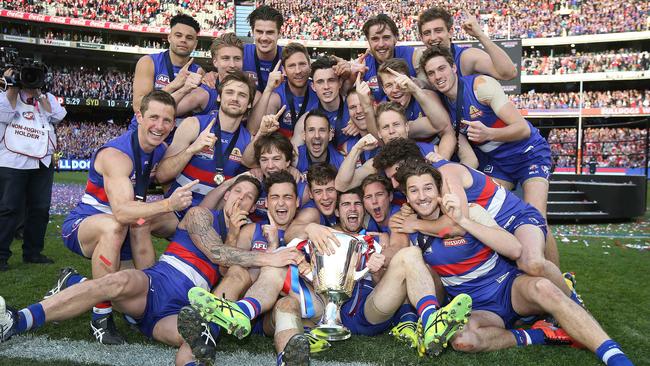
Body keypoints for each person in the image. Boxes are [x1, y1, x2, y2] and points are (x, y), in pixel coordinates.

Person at [0, 175, 304, 366]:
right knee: (115, 281)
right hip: (156, 285)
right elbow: (215, 252)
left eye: (249, 197)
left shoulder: (241, 232)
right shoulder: (200, 214)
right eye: (238, 191)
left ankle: (73, 282)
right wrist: (268, 259)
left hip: (183, 311)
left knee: (200, 337)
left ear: (252, 206)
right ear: (226, 193)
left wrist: (238, 238)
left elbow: (227, 268)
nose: (241, 199)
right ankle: (19, 320)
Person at [391, 160, 633, 365]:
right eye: (414, 191)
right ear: (407, 198)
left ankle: (616, 358)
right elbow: (408, 271)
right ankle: (537, 334)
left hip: (507, 288)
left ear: (438, 190)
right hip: (476, 307)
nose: (422, 196)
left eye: (428, 188)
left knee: (543, 287)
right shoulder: (407, 228)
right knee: (462, 341)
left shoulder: (470, 211)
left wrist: (462, 221)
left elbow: (514, 248)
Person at [59, 90, 195, 344]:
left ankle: (74, 281)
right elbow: (121, 211)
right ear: (139, 116)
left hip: (125, 231)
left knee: (127, 292)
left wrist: (194, 148)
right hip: (86, 224)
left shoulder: (159, 148)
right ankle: (100, 317)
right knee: (115, 225)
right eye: (153, 117)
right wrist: (167, 203)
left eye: (167, 120)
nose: (160, 126)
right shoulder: (117, 154)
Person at [420, 45, 560, 267]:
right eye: (431, 73)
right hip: (498, 163)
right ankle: (507, 270)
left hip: (528, 154)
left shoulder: (480, 86)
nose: (438, 76)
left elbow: (522, 128)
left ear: (454, 68)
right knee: (489, 210)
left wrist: (489, 133)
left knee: (535, 215)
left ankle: (560, 279)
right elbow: (469, 156)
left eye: (442, 69)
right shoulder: (445, 104)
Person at [156, 71, 257, 219]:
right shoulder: (194, 124)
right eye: (229, 92)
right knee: (139, 224)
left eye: (242, 95)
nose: (235, 98)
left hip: (213, 217)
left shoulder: (249, 141)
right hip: (177, 210)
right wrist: (192, 149)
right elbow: (161, 176)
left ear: (249, 103)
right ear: (219, 96)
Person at [0, 61, 66, 271]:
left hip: (42, 161)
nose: (29, 79)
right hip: (13, 160)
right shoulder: (6, 94)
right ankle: (1, 255)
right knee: (9, 209)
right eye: (26, 75)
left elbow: (58, 116)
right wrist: (12, 86)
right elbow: (4, 115)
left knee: (40, 209)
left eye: (34, 75)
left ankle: (33, 252)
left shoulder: (47, 98)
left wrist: (38, 94)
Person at [129, 14, 203, 130]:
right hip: (143, 133)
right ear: (169, 38)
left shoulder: (198, 72)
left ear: (195, 44)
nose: (183, 40)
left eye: (189, 38)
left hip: (177, 138)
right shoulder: (148, 62)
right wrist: (173, 85)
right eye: (178, 35)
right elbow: (138, 106)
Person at [415, 7, 517, 80]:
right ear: (421, 37)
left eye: (438, 31)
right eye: (427, 33)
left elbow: (509, 73)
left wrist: (480, 35)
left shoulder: (466, 57)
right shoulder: (422, 62)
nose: (433, 37)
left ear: (450, 32)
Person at [248, 42, 319, 138]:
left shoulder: (319, 89)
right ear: (284, 71)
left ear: (310, 66)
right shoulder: (277, 96)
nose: (298, 71)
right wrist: (268, 88)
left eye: (302, 64)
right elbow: (252, 130)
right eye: (291, 66)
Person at [175, 33, 245, 116]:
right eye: (225, 58)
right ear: (215, 62)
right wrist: (181, 88)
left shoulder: (252, 93)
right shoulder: (204, 93)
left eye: (237, 59)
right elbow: (165, 111)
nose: (232, 65)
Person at [243, 5, 284, 93]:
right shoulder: (240, 53)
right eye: (259, 32)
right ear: (252, 31)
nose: (264, 38)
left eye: (270, 32)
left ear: (279, 33)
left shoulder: (289, 58)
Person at [294, 110, 345, 174]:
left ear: (330, 135)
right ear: (304, 135)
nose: (317, 136)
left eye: (322, 130)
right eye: (311, 130)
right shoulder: (294, 157)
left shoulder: (341, 162)